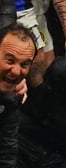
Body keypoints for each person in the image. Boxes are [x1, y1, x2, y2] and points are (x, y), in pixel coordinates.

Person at [0, 23, 36, 168]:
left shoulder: (13, 96)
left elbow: (7, 147)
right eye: (10, 60)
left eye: (24, 65)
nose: (16, 71)